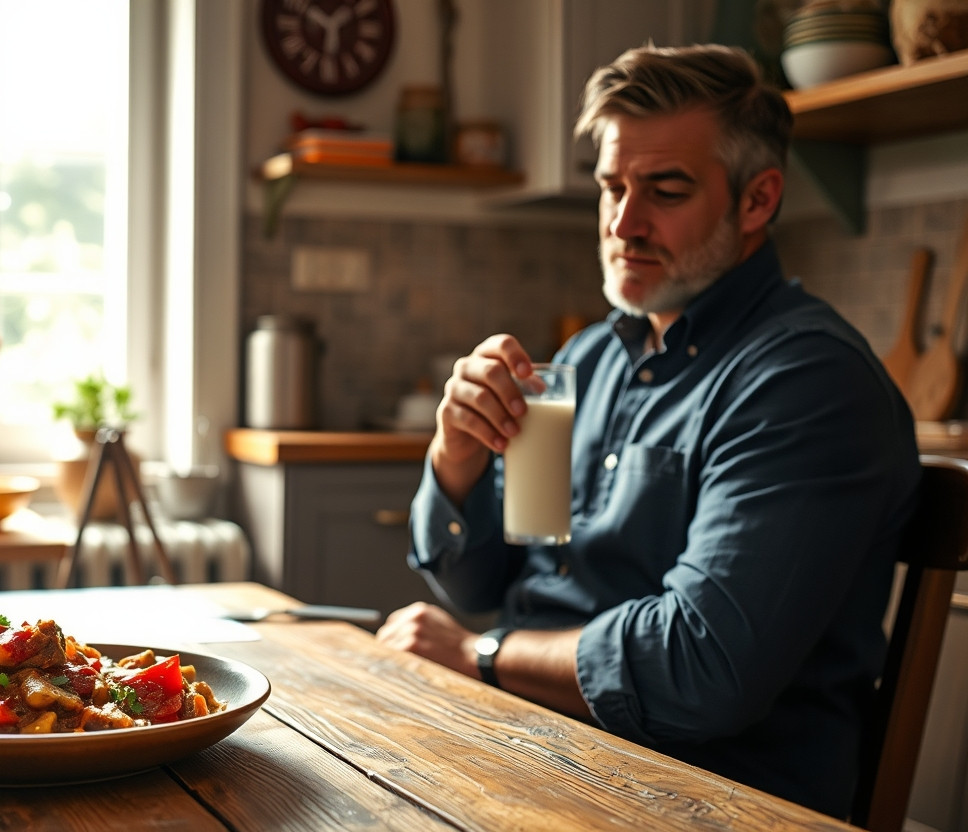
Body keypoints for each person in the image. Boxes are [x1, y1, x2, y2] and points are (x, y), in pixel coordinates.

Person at [375, 43, 919, 818]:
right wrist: (455, 457)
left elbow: (704, 667)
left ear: (758, 200)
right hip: (538, 746)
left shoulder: (805, 382)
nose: (623, 222)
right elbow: (484, 581)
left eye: (664, 190)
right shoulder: (590, 358)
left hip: (709, 796)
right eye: (611, 187)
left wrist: (481, 655)